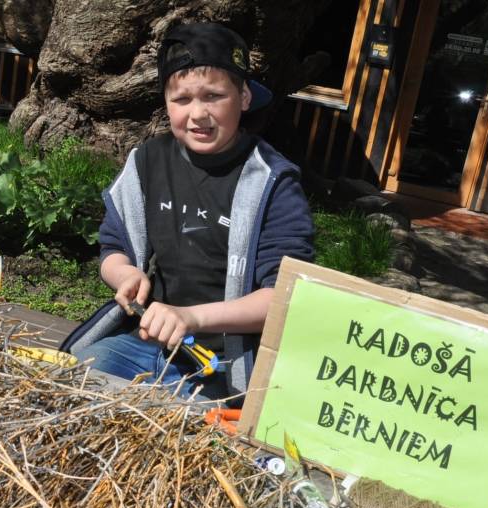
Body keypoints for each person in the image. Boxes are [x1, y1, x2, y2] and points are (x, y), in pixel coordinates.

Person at [61, 23, 315, 402]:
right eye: (182, 100)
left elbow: (283, 296)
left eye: (214, 96)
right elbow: (112, 247)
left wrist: (190, 317)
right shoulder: (147, 161)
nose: (198, 114)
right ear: (165, 101)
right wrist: (124, 274)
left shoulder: (274, 182)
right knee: (72, 380)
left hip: (225, 364)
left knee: (182, 431)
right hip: (144, 345)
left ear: (244, 97)